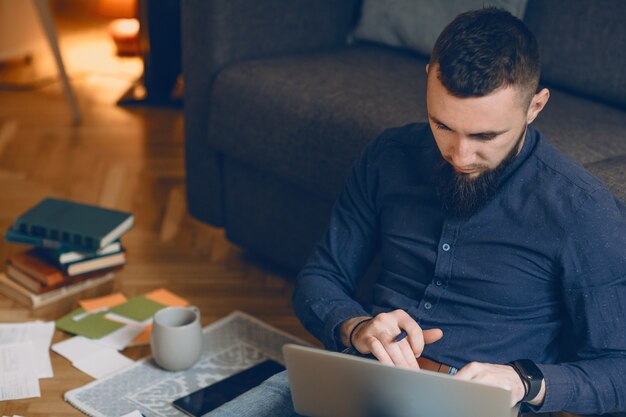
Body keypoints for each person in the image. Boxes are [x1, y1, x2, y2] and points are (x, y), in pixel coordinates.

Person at [208, 7, 626, 417]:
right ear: (428, 79)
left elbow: (619, 370)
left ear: (535, 107)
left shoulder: (581, 210)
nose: (460, 156)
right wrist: (357, 327)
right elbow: (320, 279)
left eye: (485, 136)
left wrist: (525, 383)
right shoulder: (388, 156)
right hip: (362, 376)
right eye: (442, 125)